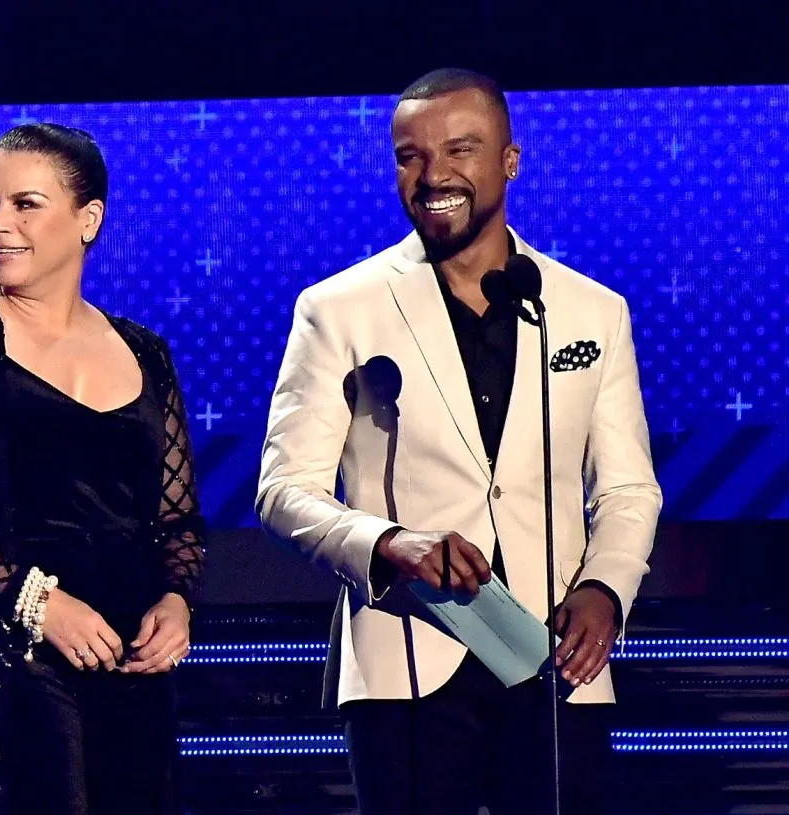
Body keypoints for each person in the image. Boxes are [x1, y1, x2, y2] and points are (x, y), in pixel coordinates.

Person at [256, 68, 662, 815]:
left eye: (460, 150)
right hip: (406, 658)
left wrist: (605, 588)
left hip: (553, 662)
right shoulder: (338, 308)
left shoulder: (590, 310)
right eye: (410, 155)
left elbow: (630, 487)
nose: (433, 174)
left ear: (510, 160)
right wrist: (388, 542)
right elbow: (283, 490)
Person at [0, 123, 206, 815]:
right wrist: (38, 601)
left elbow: (175, 517)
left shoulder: (146, 351)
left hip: (128, 663)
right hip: (4, 665)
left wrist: (177, 601)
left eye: (24, 204)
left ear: (88, 219)